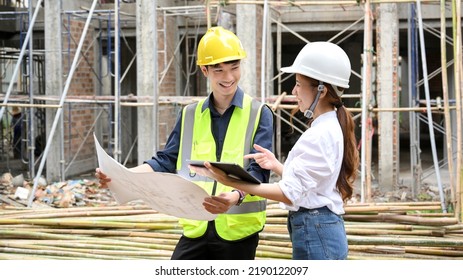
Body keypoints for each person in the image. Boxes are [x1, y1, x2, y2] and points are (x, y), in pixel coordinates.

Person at [96, 26, 274, 260]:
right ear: (204, 70)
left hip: (238, 231)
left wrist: (234, 197)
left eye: (234, 68)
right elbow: (166, 161)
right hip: (195, 226)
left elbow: (259, 171)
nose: (228, 77)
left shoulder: (260, 113)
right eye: (219, 70)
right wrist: (122, 175)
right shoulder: (190, 114)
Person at [190, 41, 359, 260]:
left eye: (298, 84)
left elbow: (289, 193)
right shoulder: (329, 126)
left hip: (315, 229)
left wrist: (231, 182)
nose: (294, 91)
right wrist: (278, 166)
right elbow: (310, 183)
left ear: (321, 90)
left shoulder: (318, 135)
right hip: (319, 227)